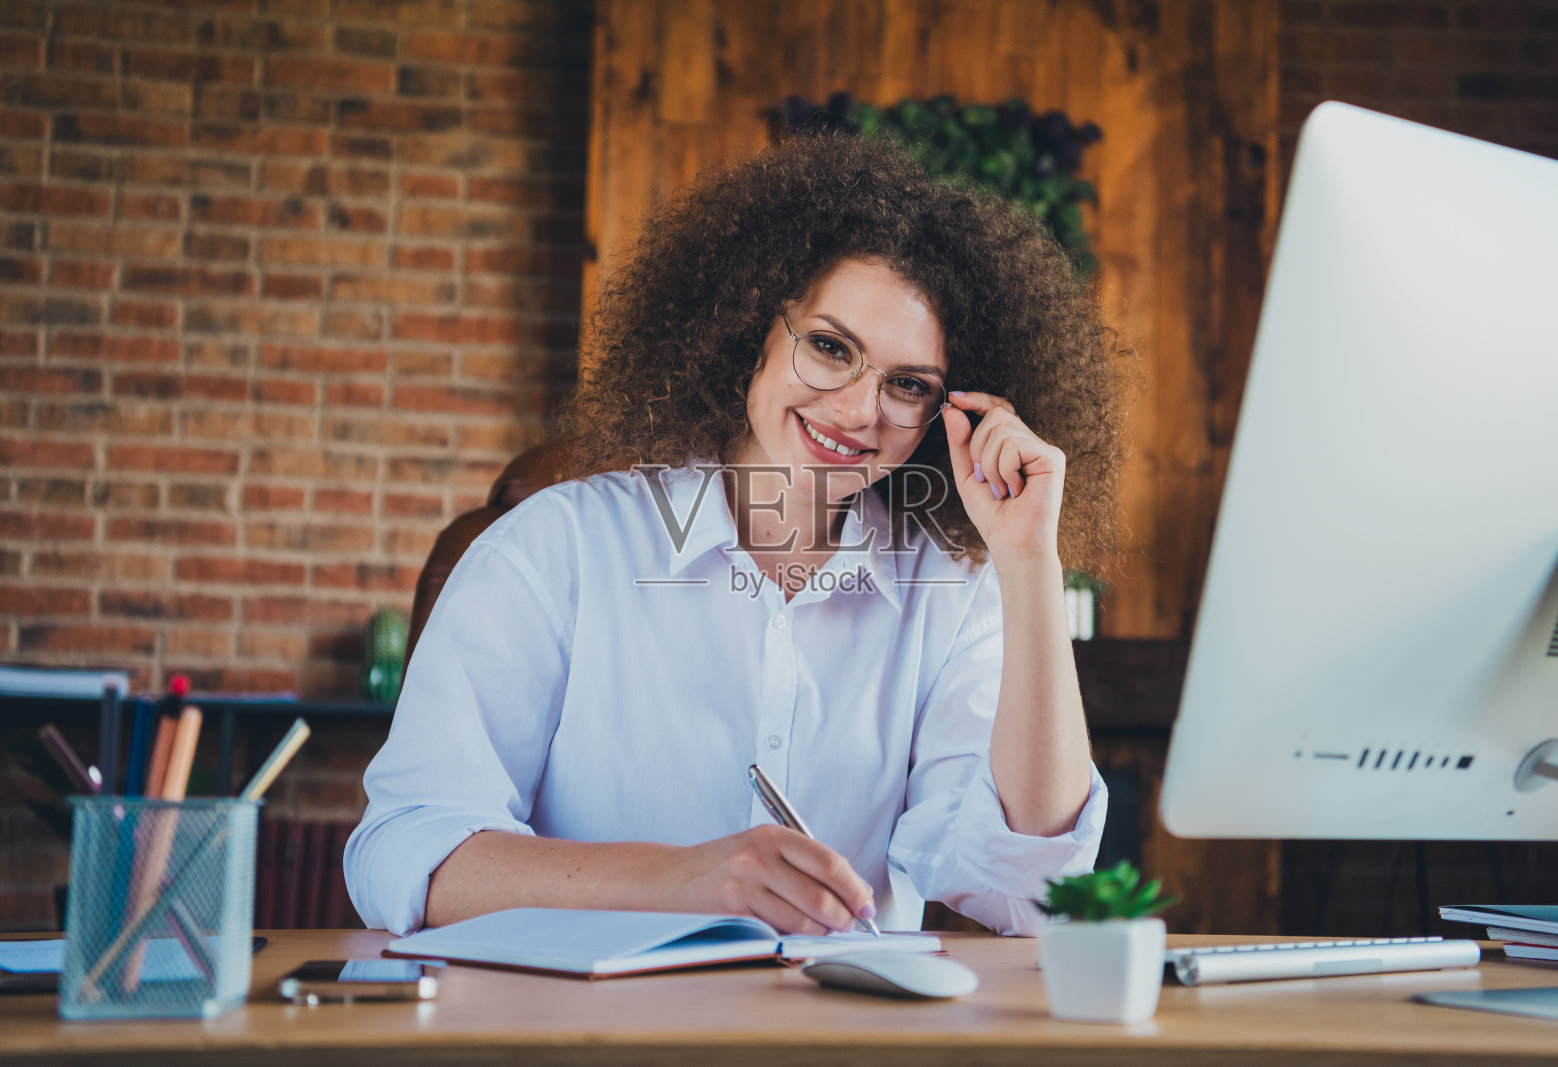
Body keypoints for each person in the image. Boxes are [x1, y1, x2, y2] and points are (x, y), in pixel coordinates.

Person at [346, 134, 1126, 938]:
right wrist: (684, 878)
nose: (860, 412)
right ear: (753, 326)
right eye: (829, 347)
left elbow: (1031, 890)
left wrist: (1031, 561)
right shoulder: (554, 550)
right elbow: (405, 853)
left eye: (908, 386)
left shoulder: (952, 595)